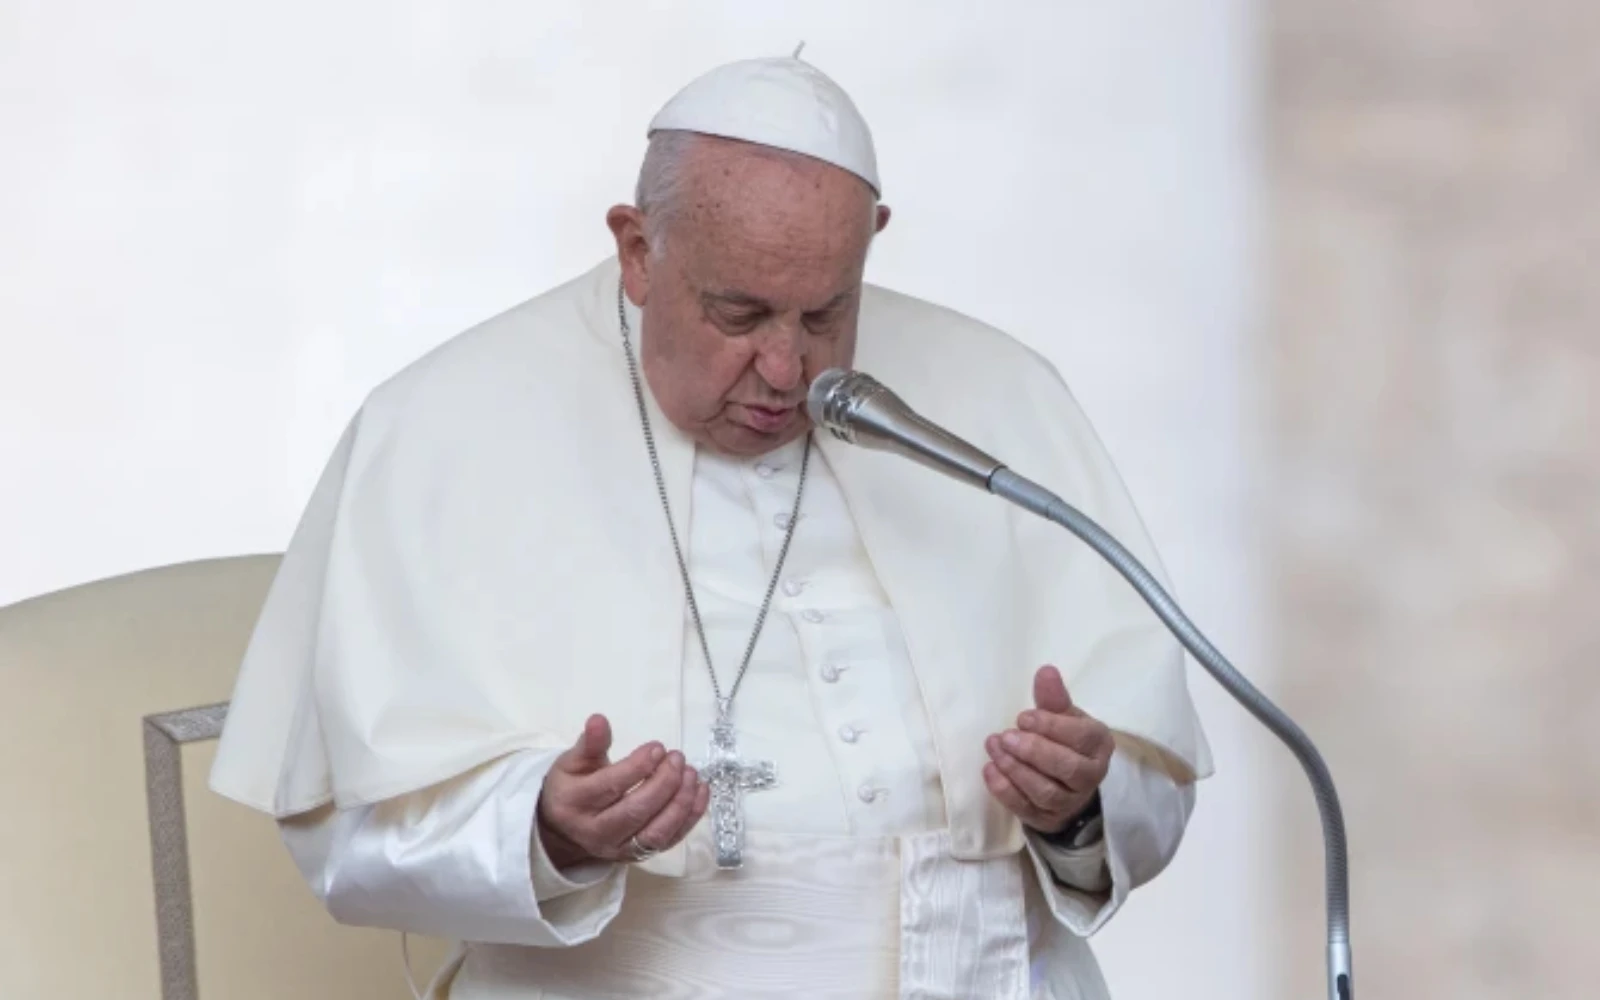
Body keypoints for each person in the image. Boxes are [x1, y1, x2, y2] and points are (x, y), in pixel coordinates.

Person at [210, 53, 1213, 1000]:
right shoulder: (441, 425)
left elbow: (1152, 782)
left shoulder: (1000, 399)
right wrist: (542, 831)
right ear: (637, 251)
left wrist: (1081, 804)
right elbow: (345, 835)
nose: (789, 371)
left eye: (827, 313)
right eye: (740, 315)